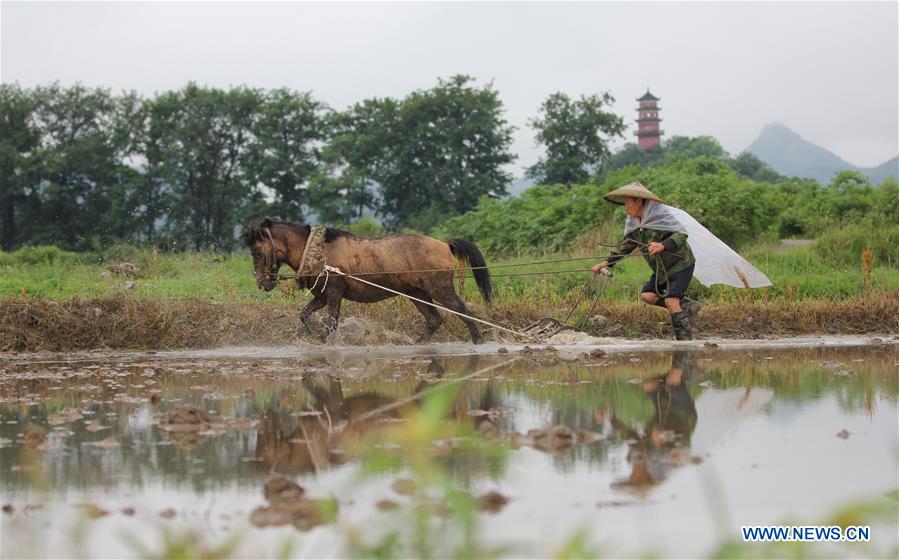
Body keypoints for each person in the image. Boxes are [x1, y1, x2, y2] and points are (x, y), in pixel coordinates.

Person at [592, 182, 702, 340]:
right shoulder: (633, 222)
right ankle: (688, 305)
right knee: (648, 296)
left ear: (638, 202)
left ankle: (685, 342)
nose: (626, 208)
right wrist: (606, 263)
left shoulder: (661, 216)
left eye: (628, 203)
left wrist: (662, 245)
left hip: (680, 264)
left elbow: (681, 234)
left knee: (671, 301)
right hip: (661, 268)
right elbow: (626, 245)